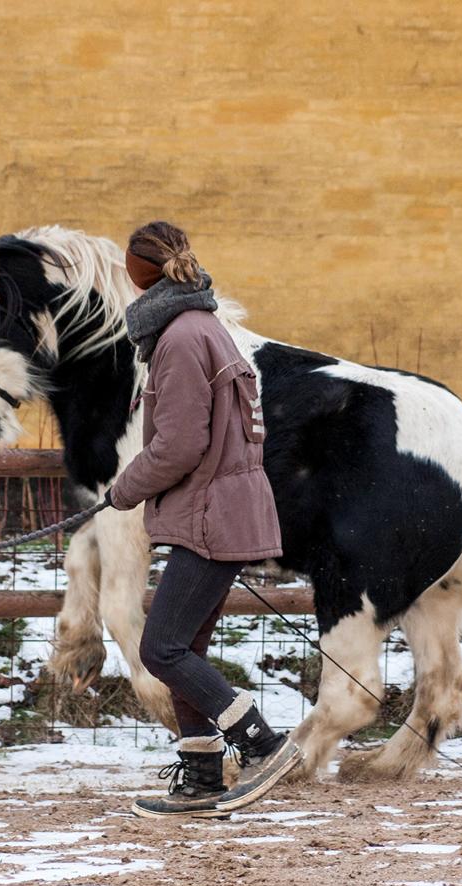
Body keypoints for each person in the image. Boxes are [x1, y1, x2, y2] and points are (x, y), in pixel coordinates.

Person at [108, 220, 301, 819]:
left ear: (142, 270)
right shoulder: (200, 326)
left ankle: (263, 744)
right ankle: (199, 777)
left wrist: (124, 489)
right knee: (184, 643)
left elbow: (180, 444)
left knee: (161, 648)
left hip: (210, 514)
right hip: (217, 509)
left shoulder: (182, 338)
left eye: (126, 263)